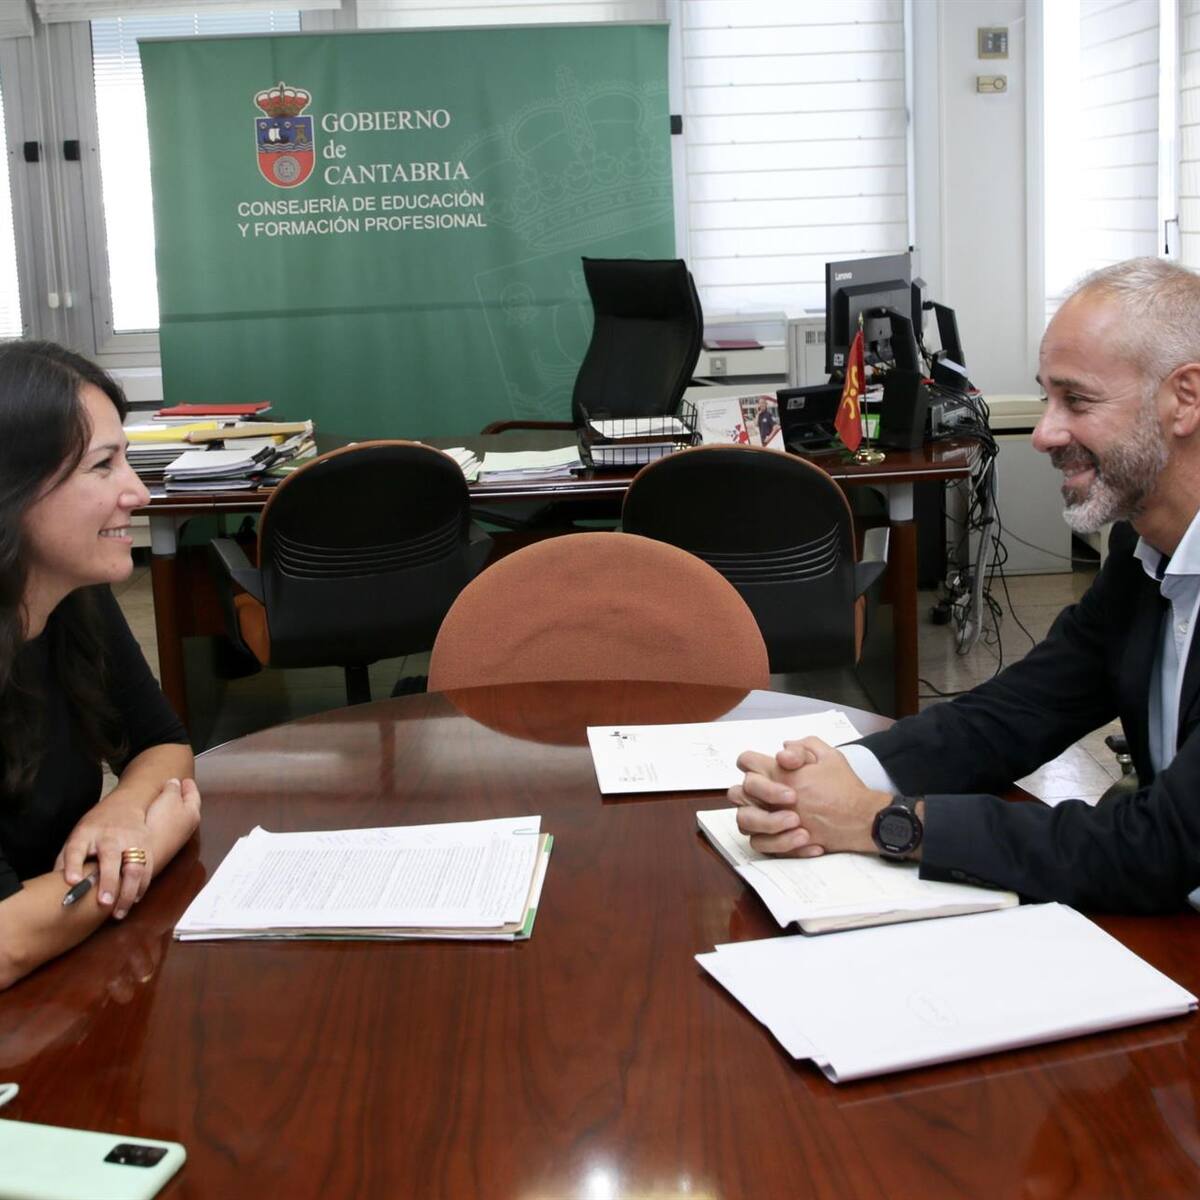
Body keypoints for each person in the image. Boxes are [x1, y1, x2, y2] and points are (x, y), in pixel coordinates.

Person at [731, 257, 1200, 914]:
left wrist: (877, 820)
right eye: (1046, 397)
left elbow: (1154, 847)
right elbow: (1016, 713)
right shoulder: (1143, 552)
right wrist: (835, 773)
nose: (1043, 433)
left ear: (1186, 397)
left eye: (1078, 400)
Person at [0, 341, 201, 990]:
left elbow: (164, 743)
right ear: (15, 490)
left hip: (65, 983)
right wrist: (155, 839)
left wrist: (123, 811)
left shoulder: (71, 594)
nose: (137, 493)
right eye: (103, 466)